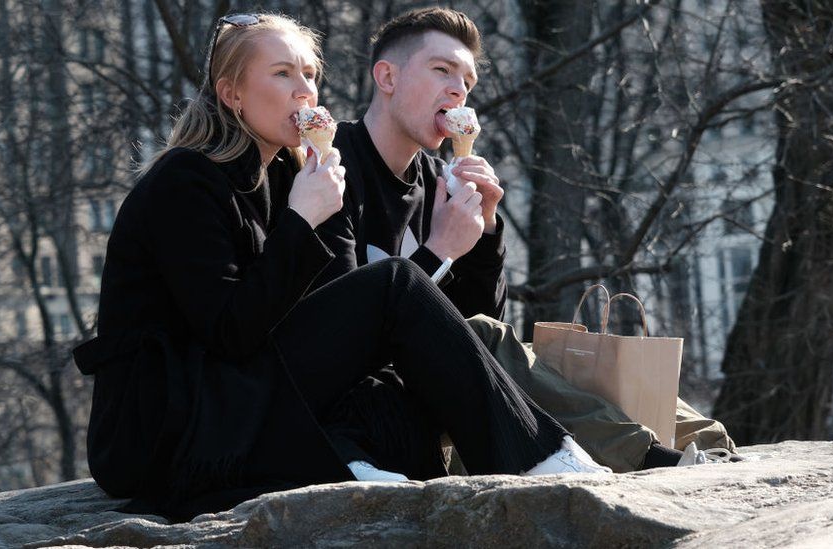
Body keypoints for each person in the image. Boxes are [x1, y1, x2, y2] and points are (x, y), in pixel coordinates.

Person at [73, 13, 608, 523]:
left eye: (310, 74)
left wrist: (483, 238)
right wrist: (304, 224)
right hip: (168, 429)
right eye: (282, 74)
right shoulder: (185, 181)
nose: (305, 90)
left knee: (399, 402)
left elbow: (441, 334)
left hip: (250, 406)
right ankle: (538, 461)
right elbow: (230, 332)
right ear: (231, 93)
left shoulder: (287, 176)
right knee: (394, 282)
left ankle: (371, 463)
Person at [312, 7, 737, 474]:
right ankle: (645, 458)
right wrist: (442, 247)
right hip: (364, 403)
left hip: (448, 389)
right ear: (387, 76)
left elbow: (476, 321)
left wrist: (487, 235)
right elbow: (348, 331)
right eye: (441, 70)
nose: (458, 90)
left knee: (543, 355)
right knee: (488, 336)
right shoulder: (329, 171)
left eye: (468, 82)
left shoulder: (439, 179)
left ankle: (712, 446)